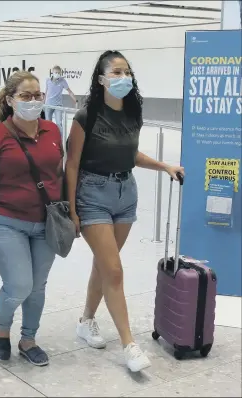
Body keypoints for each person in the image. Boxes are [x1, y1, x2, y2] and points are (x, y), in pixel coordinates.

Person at [65, 50, 185, 372]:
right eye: (116, 72)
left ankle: (86, 321)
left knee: (104, 266)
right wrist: (72, 209)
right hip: (92, 195)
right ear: (101, 79)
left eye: (127, 72)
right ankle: (130, 345)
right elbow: (72, 164)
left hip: (125, 194)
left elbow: (131, 154)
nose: (123, 78)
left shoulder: (133, 113)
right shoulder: (86, 116)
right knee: (114, 271)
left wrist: (164, 166)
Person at [0, 71, 63, 367]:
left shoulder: (52, 131)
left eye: (38, 95)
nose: (33, 101)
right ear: (10, 100)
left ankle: (29, 338)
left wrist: (72, 214)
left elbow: (58, 174)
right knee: (20, 284)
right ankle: (1, 327)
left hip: (46, 222)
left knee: (38, 286)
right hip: (5, 221)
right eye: (25, 96)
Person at [44, 65, 77, 136]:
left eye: (59, 73)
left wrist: (75, 100)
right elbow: (46, 91)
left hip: (58, 105)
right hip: (48, 105)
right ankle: (48, 137)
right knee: (48, 122)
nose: (57, 74)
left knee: (59, 123)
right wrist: (43, 102)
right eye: (56, 72)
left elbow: (69, 91)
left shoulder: (62, 81)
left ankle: (61, 139)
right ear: (52, 72)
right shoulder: (48, 80)